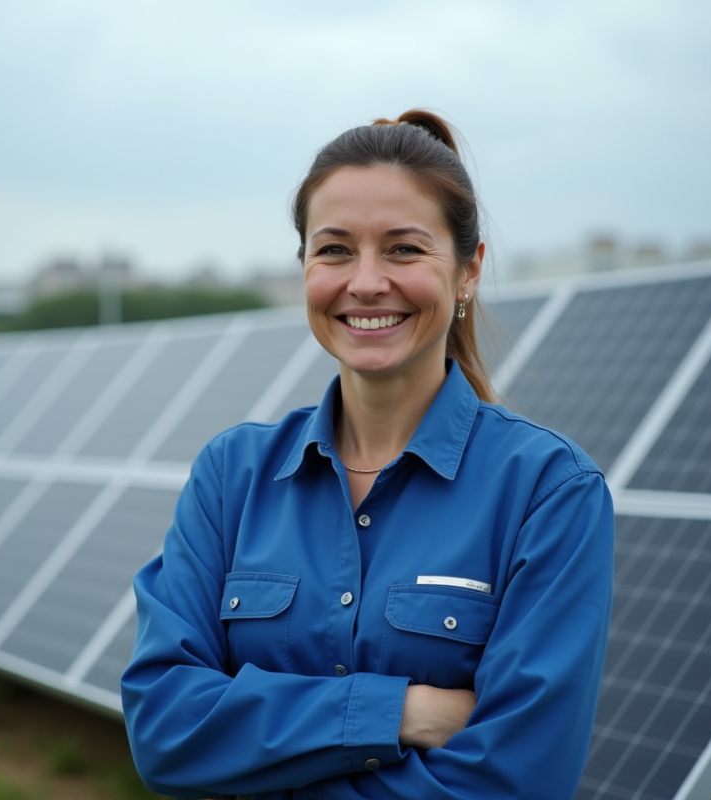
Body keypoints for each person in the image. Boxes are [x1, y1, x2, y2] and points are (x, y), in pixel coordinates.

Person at [121, 110, 614, 799]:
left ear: (468, 272)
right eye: (335, 250)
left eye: (405, 250)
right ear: (304, 268)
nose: (367, 282)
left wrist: (258, 755)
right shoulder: (230, 477)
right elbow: (164, 728)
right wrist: (399, 713)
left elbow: (516, 779)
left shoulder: (548, 492)